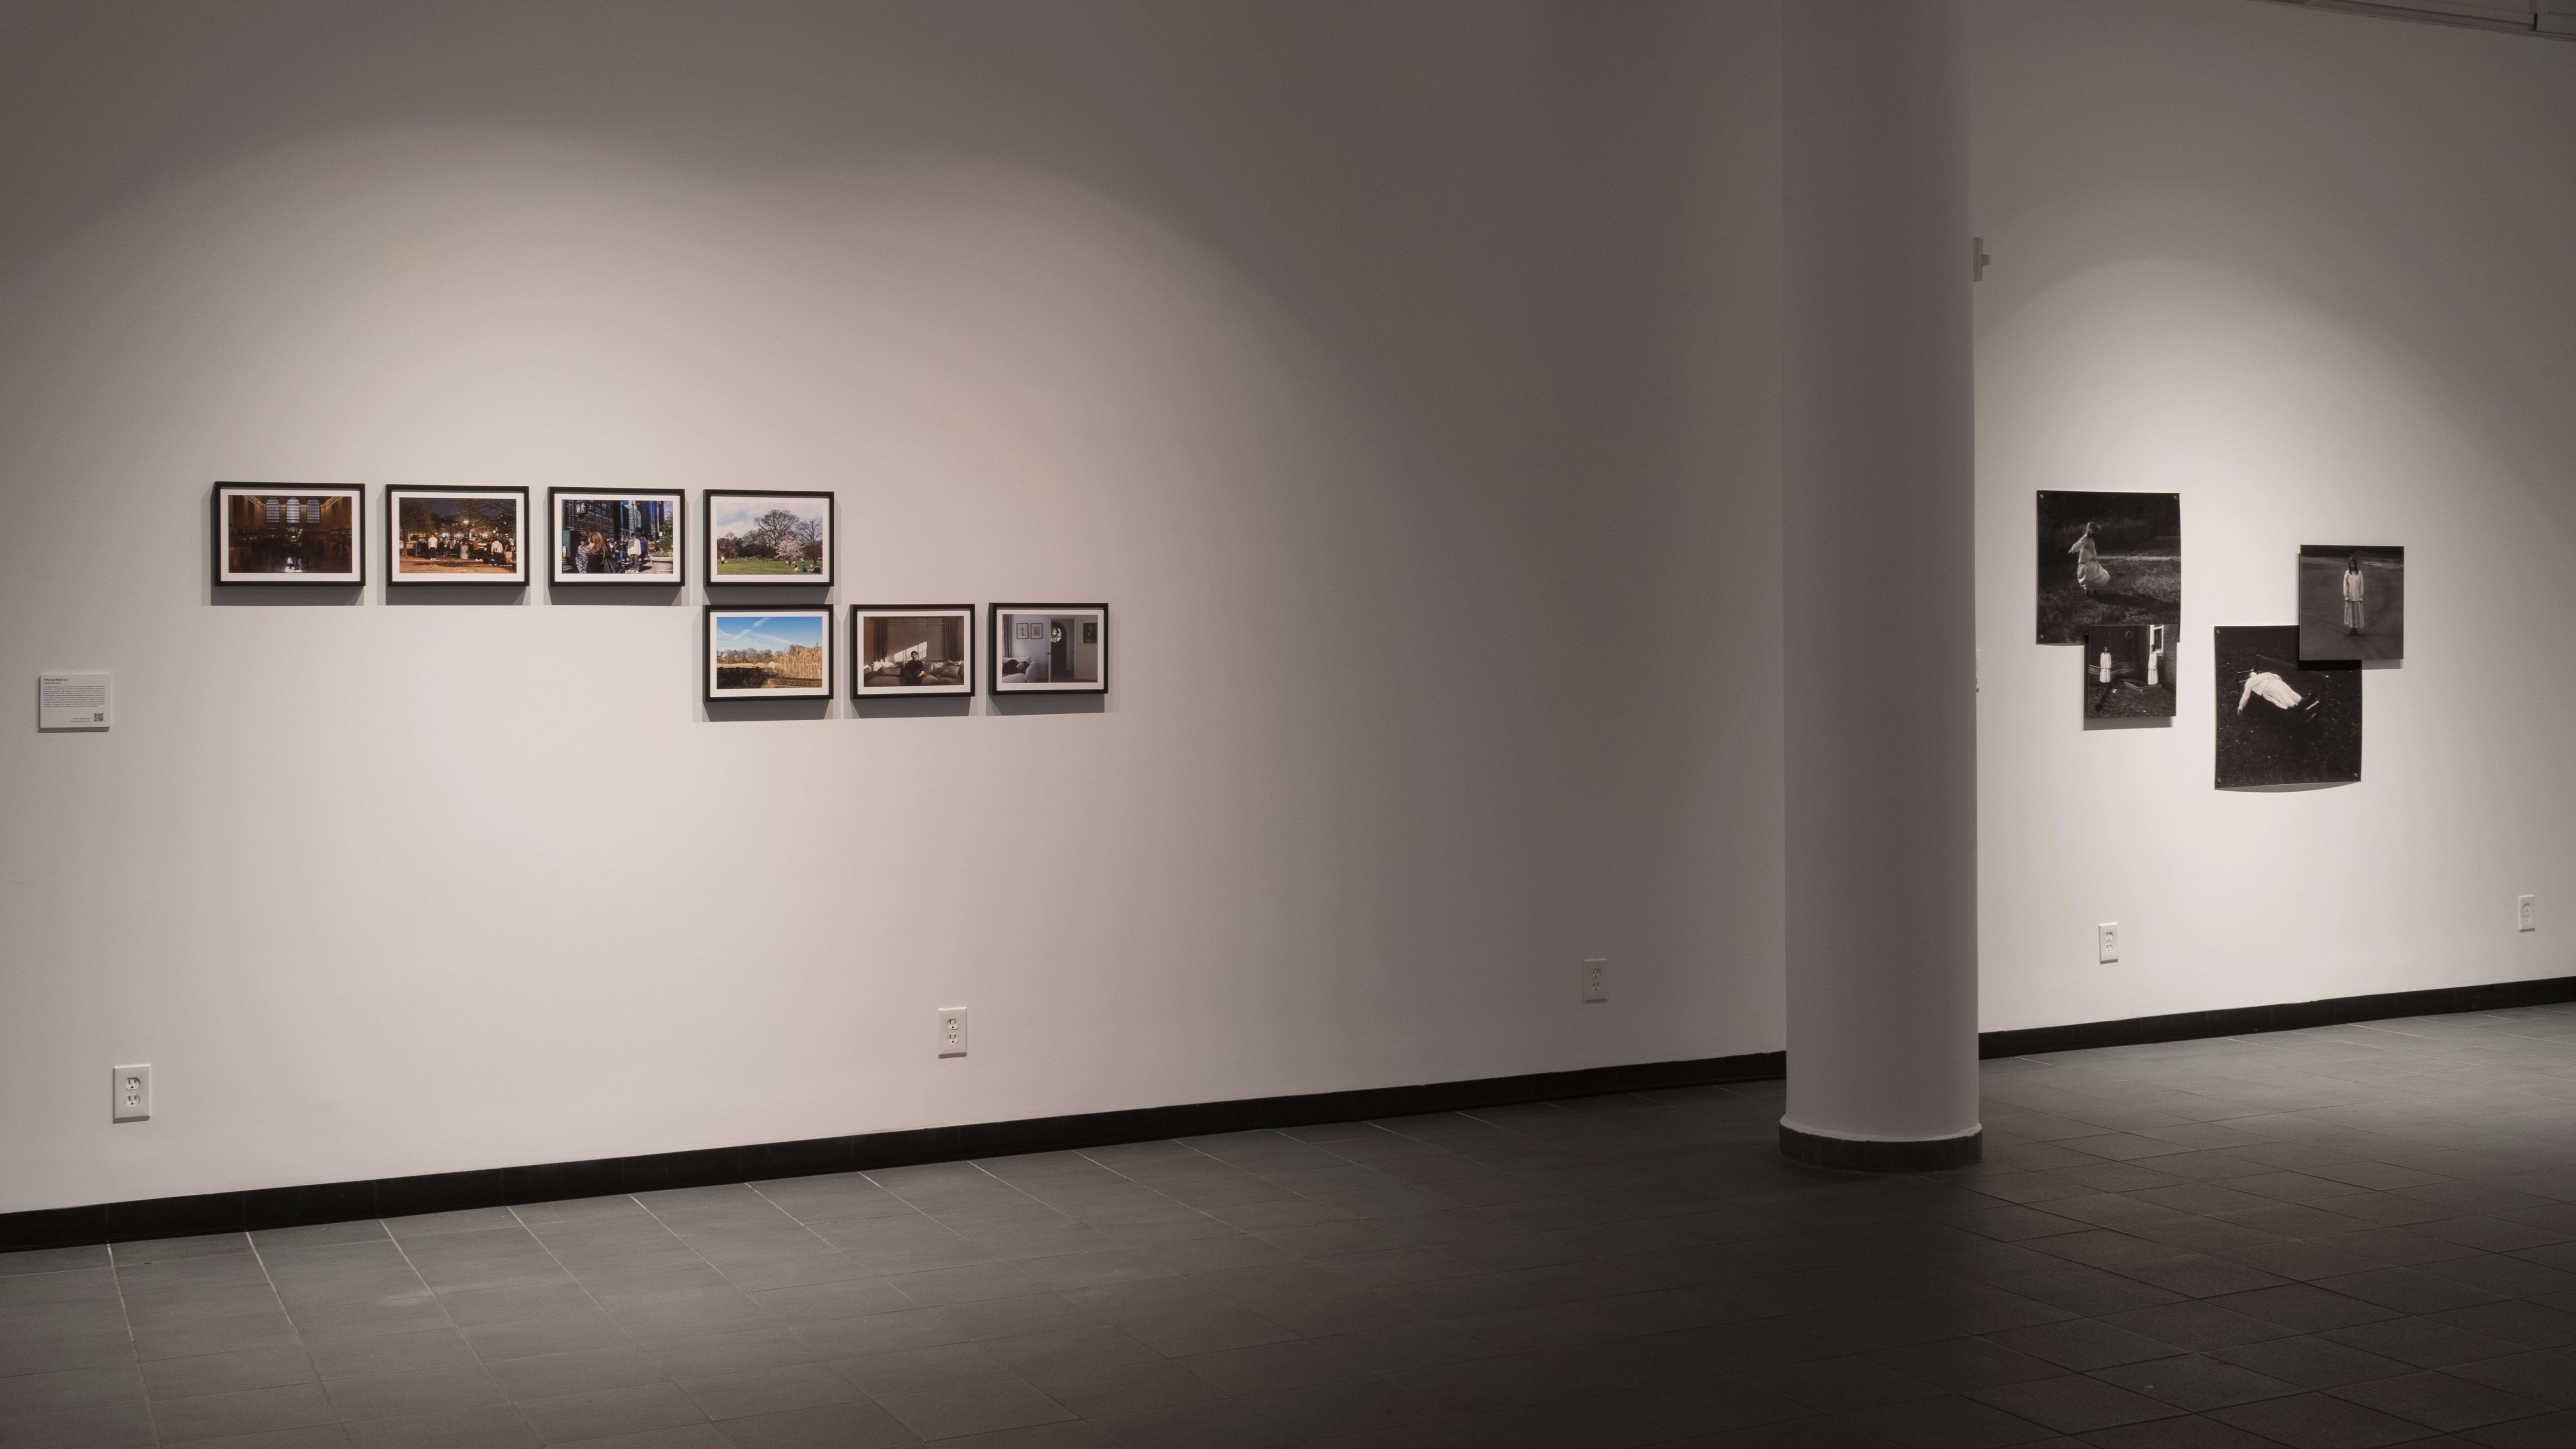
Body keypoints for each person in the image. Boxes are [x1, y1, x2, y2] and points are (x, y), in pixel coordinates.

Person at [2069, 522, 2110, 593]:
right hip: (2087, 561)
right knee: (2089, 576)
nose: (2096, 533)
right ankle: (2088, 591)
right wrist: (2073, 550)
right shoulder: (2086, 537)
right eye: (2094, 530)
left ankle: (2094, 591)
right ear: (2090, 529)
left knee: (2096, 575)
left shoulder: (2090, 538)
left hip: (2092, 560)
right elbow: (2080, 544)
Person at [2343, 553, 2366, 634]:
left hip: (2357, 597)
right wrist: (2346, 596)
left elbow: (2361, 586)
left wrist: (2361, 597)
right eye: (2351, 564)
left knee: (2356, 613)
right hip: (2350, 596)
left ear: (2356, 565)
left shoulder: (2359, 573)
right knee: (2350, 613)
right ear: (2350, 564)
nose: (2352, 565)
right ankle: (2352, 628)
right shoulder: (2347, 573)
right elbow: (2345, 585)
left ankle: (2355, 629)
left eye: (2354, 564)